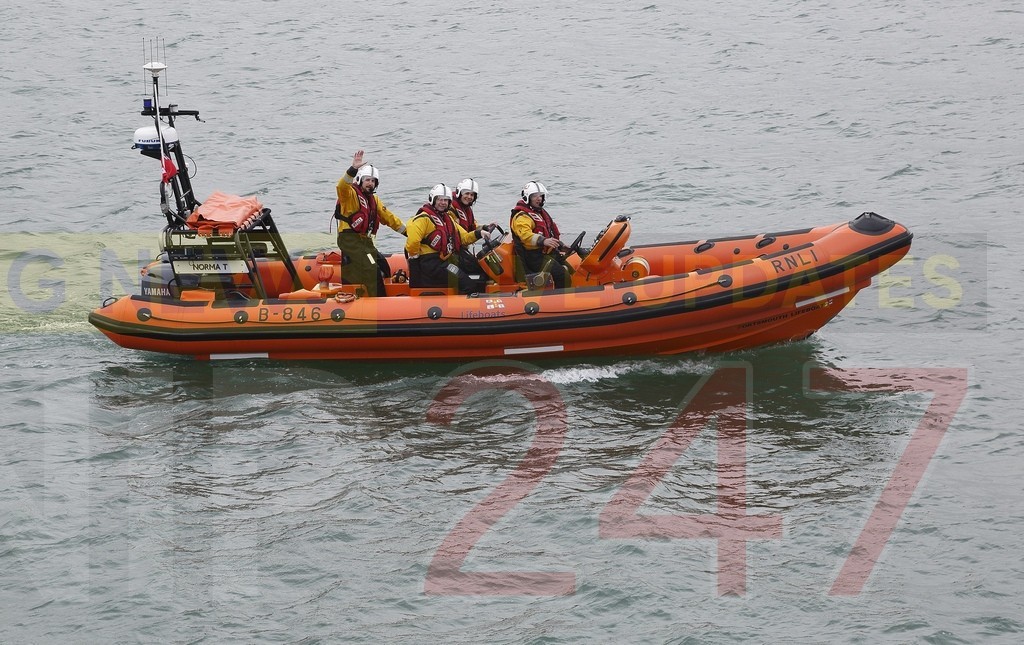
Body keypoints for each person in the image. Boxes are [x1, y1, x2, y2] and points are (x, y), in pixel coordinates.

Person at [333, 150, 406, 297]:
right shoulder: (350, 195)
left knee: (383, 266)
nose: (370, 183)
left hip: (365, 242)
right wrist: (352, 169)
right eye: (367, 180)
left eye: (373, 181)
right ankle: (379, 301)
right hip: (351, 240)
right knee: (372, 268)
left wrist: (408, 232)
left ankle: (385, 295)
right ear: (360, 179)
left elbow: (389, 218)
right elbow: (341, 186)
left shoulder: (374, 200)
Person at [406, 183, 495, 294]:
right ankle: (462, 309)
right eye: (440, 199)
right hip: (431, 263)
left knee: (476, 273)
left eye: (446, 200)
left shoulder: (447, 219)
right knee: (468, 285)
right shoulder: (423, 219)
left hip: (444, 260)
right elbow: (412, 242)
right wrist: (415, 258)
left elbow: (464, 238)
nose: (443, 203)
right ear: (433, 199)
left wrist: (479, 233)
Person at [509, 180, 573, 289]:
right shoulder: (522, 217)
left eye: (541, 196)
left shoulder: (539, 213)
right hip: (533, 257)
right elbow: (525, 236)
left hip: (545, 252)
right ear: (527, 197)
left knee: (570, 268)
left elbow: (549, 233)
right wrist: (543, 241)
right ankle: (560, 300)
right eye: (535, 196)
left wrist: (560, 245)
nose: (539, 198)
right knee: (561, 274)